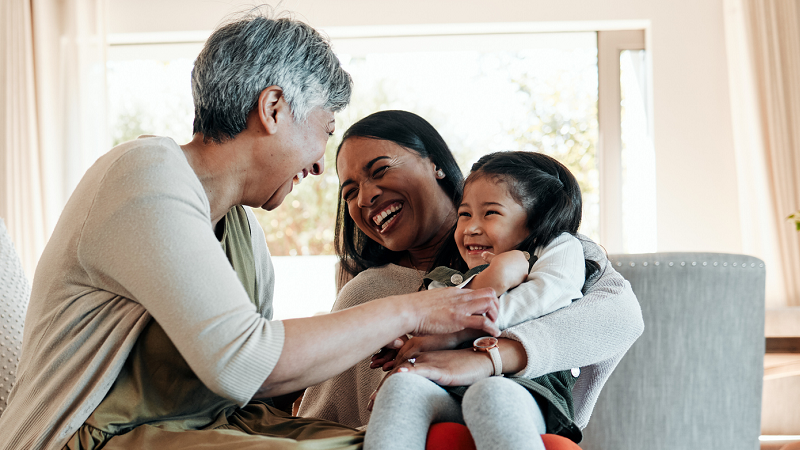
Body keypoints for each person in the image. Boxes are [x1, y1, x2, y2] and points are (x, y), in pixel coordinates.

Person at [0, 12, 502, 450]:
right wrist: (416, 309)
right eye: (325, 131)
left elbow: (248, 385)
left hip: (200, 426)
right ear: (274, 108)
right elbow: (247, 363)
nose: (319, 168)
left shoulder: (243, 233)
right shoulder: (143, 172)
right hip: (86, 437)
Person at [298, 111, 644, 441]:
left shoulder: (543, 243)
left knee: (492, 399)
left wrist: (483, 356)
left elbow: (622, 318)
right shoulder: (364, 292)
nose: (366, 196)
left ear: (435, 163)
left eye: (381, 169)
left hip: (518, 405)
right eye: (350, 192)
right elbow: (323, 418)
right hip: (426, 416)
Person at [365, 151, 593, 449]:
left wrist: (471, 323)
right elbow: (428, 331)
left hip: (526, 389)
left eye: (491, 213)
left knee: (488, 394)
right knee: (400, 388)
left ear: (536, 219)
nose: (471, 227)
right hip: (448, 388)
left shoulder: (555, 248)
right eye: (464, 214)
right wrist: (402, 344)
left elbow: (550, 292)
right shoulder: (448, 278)